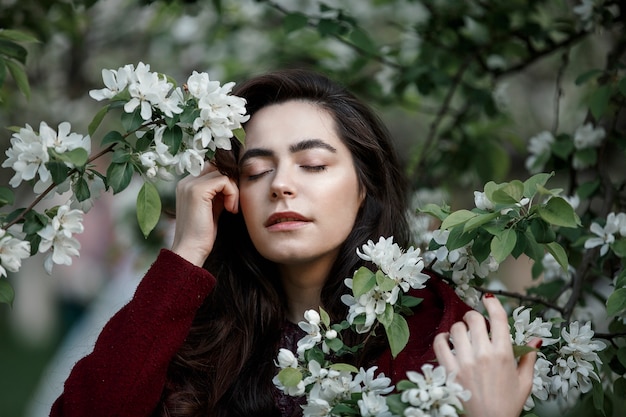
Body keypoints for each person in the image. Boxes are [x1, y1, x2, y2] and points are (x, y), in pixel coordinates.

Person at [49, 69, 539, 417]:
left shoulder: (438, 329)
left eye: (313, 165)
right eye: (257, 171)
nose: (280, 184)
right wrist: (186, 254)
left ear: (364, 185)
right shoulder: (196, 334)